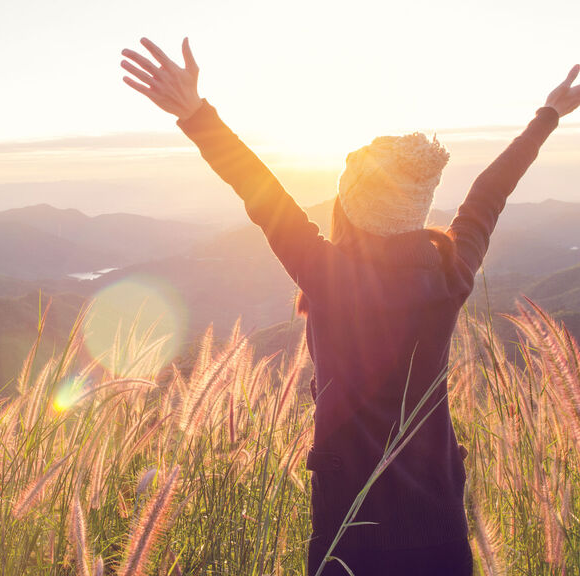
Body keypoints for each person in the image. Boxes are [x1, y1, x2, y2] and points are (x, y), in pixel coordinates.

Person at [120, 37, 580, 576]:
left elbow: (261, 192)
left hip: (349, 534)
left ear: (351, 207)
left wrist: (196, 114)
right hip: (441, 529)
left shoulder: (329, 277)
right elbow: (489, 194)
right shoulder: (451, 272)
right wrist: (547, 115)